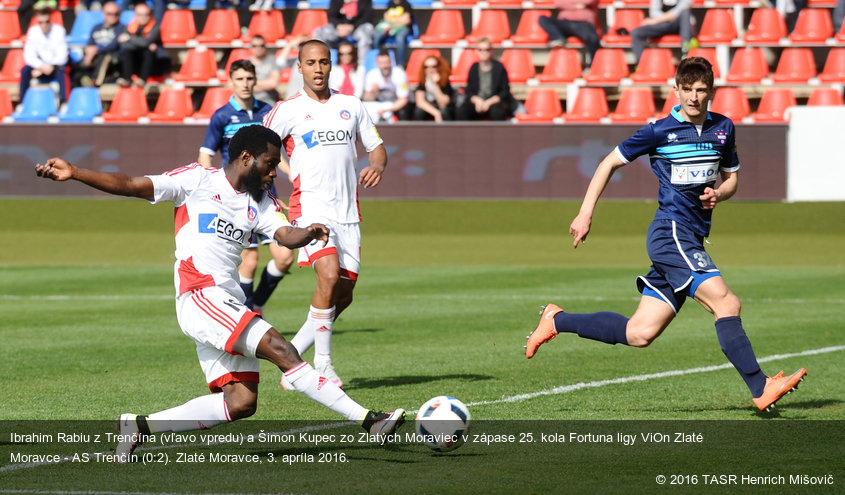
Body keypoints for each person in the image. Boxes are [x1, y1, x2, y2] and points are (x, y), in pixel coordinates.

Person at [34, 125, 405, 461]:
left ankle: (138, 427)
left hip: (226, 301)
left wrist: (307, 232)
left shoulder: (260, 202)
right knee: (283, 349)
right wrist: (76, 172)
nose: (275, 171)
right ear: (247, 157)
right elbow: (131, 183)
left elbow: (284, 235)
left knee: (241, 402)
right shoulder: (197, 180)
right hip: (199, 295)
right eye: (270, 163)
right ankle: (370, 421)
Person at [524, 57, 807, 413]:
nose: (693, 97)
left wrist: (720, 193)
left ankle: (556, 320)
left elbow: (731, 178)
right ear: (676, 90)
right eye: (686, 90)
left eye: (700, 90)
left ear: (711, 92)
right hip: (671, 233)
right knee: (726, 303)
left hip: (691, 237)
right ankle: (760, 386)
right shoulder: (660, 131)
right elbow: (608, 162)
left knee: (639, 334)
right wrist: (585, 213)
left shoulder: (724, 128)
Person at [263, 39, 388, 388]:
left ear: (331, 66)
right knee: (328, 276)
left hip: (348, 214)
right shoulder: (287, 110)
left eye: (324, 62)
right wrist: (270, 188)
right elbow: (259, 148)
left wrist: (377, 166)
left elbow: (376, 148)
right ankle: (323, 365)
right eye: (310, 62)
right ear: (299, 68)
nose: (318, 69)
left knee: (342, 296)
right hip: (311, 208)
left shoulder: (351, 105)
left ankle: (293, 360)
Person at [199, 59, 294, 316]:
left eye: (249, 79)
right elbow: (206, 154)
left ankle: (257, 304)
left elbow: (279, 157)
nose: (245, 84)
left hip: (266, 197)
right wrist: (209, 186)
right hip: (239, 198)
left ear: (255, 80)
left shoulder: (268, 113)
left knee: (285, 257)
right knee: (249, 262)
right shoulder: (221, 116)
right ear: (231, 82)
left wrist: (296, 178)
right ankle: (247, 316)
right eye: (239, 79)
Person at [455, 37, 514, 121]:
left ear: (491, 50)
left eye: (487, 49)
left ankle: (499, 134)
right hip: (477, 102)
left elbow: (504, 91)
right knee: (461, 110)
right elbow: (469, 91)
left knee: (497, 111)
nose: (484, 52)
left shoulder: (499, 67)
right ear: (477, 51)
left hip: (494, 102)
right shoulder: (474, 67)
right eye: (481, 50)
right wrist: (477, 101)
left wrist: (488, 102)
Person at [116, 2, 170, 87]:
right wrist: (143, 43)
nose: (143, 18)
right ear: (136, 15)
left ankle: (142, 80)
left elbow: (146, 42)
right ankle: (127, 79)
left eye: (146, 14)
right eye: (140, 15)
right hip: (135, 61)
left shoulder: (155, 26)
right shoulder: (131, 27)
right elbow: (124, 45)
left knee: (148, 50)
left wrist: (130, 39)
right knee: (127, 51)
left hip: (154, 65)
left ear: (150, 15)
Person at [21, 6, 68, 103]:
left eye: (46, 22)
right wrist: (41, 67)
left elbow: (62, 56)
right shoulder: (33, 32)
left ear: (50, 20)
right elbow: (29, 55)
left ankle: (64, 102)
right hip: (40, 67)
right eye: (41, 22)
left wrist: (49, 67)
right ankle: (23, 102)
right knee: (25, 71)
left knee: (62, 71)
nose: (44, 25)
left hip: (54, 67)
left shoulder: (59, 31)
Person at [73, 1, 126, 87]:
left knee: (105, 57)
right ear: (104, 14)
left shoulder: (121, 28)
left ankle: (95, 81)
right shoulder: (96, 27)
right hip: (94, 56)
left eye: (116, 14)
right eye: (110, 14)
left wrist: (97, 49)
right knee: (78, 64)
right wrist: (89, 54)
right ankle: (81, 83)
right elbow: (90, 44)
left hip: (111, 57)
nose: (113, 16)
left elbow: (114, 45)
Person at [537, 0, 600, 68]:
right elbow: (559, 3)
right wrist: (577, 5)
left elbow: (589, 1)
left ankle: (593, 66)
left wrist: (568, 5)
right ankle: (559, 39)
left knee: (592, 38)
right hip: (565, 23)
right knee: (543, 19)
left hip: (583, 24)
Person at [630, 0, 695, 63]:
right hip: (662, 25)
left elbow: (679, 11)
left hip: (679, 26)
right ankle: (641, 66)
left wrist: (655, 21)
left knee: (685, 13)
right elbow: (653, 12)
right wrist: (665, 19)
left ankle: (686, 50)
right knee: (636, 33)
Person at [313, 0, 375, 65]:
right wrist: (338, 26)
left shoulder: (365, 1)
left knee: (366, 33)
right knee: (319, 32)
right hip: (338, 28)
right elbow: (331, 15)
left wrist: (352, 26)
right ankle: (324, 61)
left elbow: (367, 17)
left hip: (357, 28)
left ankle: (362, 65)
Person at [362, 49, 410, 123]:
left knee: (403, 112)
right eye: (381, 63)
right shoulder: (371, 75)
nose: (384, 66)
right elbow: (367, 99)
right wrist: (373, 92)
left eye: (386, 63)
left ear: (391, 62)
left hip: (395, 105)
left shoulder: (399, 74)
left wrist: (387, 110)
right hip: (378, 105)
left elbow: (403, 100)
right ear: (376, 63)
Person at [413, 55, 455, 122]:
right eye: (426, 67)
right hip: (430, 108)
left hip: (441, 106)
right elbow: (420, 102)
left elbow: (443, 103)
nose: (430, 69)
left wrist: (435, 84)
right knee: (419, 111)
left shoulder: (444, 80)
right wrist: (436, 113)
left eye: (433, 66)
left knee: (445, 111)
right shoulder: (423, 80)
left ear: (438, 67)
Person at [373, 0, 415, 68]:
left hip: (403, 28)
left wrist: (393, 21)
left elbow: (406, 21)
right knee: (377, 37)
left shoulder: (406, 4)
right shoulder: (390, 3)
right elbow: (386, 18)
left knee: (400, 39)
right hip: (390, 27)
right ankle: (376, 61)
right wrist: (399, 20)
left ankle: (400, 64)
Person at [249, 35, 281, 104]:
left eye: (261, 45)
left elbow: (273, 83)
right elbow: (233, 85)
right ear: (251, 47)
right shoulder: (246, 63)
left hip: (269, 101)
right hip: (250, 101)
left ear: (265, 46)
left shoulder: (272, 60)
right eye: (255, 46)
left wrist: (251, 83)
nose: (258, 48)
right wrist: (266, 84)